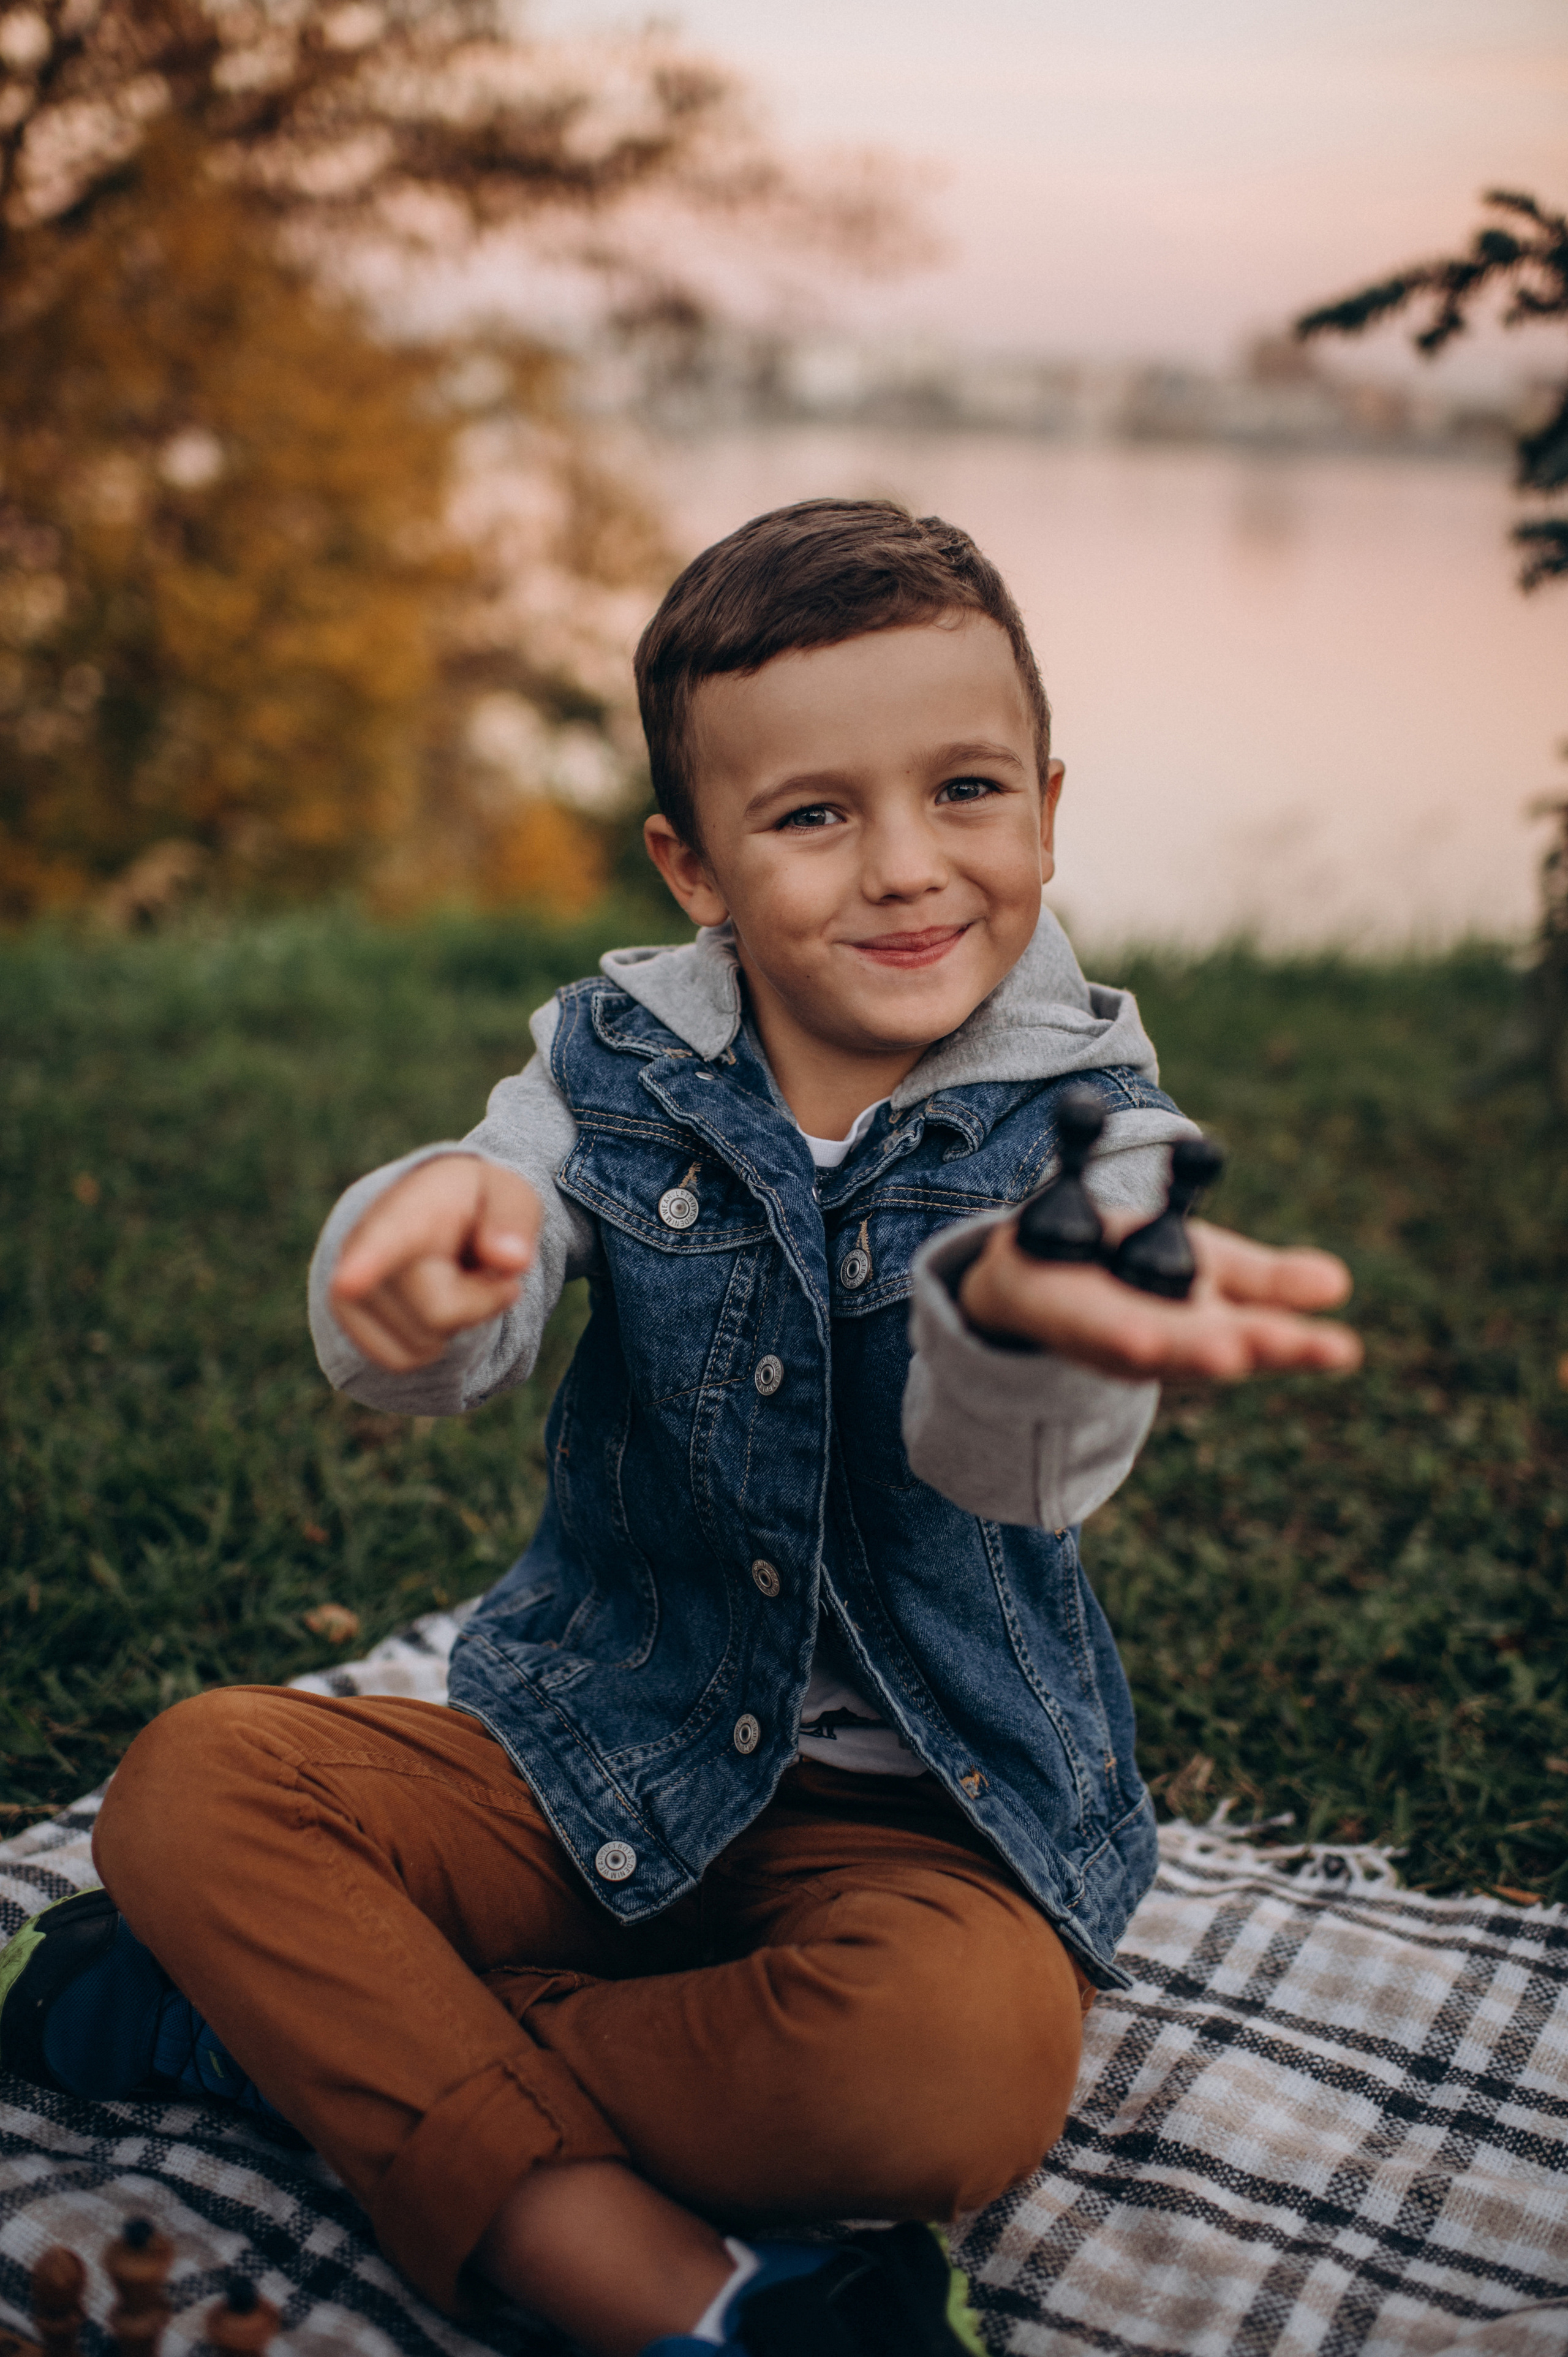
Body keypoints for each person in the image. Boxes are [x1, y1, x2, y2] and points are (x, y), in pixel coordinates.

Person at [0, 501, 1360, 2357]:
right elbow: (467, 1264)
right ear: (695, 864)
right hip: (591, 1761)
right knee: (201, 1781)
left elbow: (1013, 1456)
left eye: (965, 793)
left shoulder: (1093, 1142)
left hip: (920, 1836)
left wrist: (1022, 1332)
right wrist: (409, 1263)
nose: (906, 869)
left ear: (1047, 803)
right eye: (813, 815)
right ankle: (660, 2283)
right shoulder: (606, 1063)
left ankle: (265, 2041)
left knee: (956, 2077)